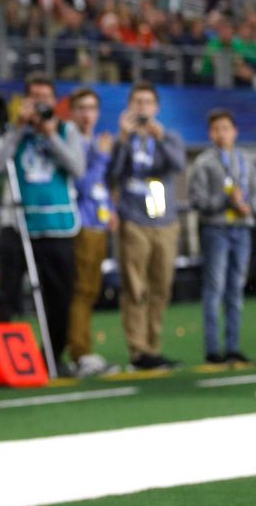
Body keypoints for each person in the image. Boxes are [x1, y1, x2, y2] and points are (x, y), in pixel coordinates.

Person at [0, 73, 86, 373]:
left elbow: (77, 168)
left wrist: (51, 134)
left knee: (60, 295)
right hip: (19, 223)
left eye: (46, 97)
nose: (41, 103)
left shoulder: (67, 130)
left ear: (54, 102)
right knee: (8, 291)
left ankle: (52, 357)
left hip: (58, 224)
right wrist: (18, 129)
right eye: (35, 98)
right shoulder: (15, 131)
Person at [107, 81, 186, 371]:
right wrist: (123, 140)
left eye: (148, 102)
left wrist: (161, 138)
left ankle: (155, 347)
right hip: (134, 220)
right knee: (135, 287)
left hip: (165, 221)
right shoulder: (124, 139)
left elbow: (178, 166)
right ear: (130, 106)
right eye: (137, 102)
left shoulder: (170, 137)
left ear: (157, 108)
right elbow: (112, 172)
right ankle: (139, 351)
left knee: (161, 286)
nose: (143, 107)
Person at [188, 109, 254, 365]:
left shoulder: (247, 160)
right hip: (216, 229)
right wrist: (226, 199)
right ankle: (213, 349)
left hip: (242, 228)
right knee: (214, 288)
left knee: (236, 289)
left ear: (235, 131)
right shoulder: (204, 162)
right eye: (216, 129)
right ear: (210, 134)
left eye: (226, 128)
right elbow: (197, 200)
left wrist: (248, 207)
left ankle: (234, 347)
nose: (221, 134)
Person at [66, 88, 118, 378]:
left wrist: (110, 208)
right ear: (72, 112)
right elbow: (84, 185)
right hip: (81, 224)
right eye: (81, 108)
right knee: (82, 290)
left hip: (98, 223)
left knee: (90, 290)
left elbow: (99, 188)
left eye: (92, 108)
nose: (87, 114)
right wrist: (101, 157)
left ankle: (81, 349)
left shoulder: (93, 142)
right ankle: (80, 352)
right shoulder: (76, 143)